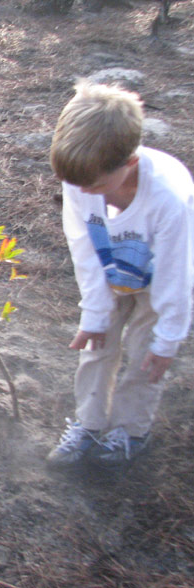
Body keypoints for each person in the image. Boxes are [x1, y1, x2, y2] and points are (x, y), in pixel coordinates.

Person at [47, 80, 194, 467]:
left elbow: (177, 275)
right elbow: (84, 245)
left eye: (95, 186)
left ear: (129, 164)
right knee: (96, 349)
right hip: (111, 269)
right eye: (76, 187)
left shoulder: (169, 198)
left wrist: (167, 342)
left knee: (145, 357)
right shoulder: (82, 179)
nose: (85, 194)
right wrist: (96, 313)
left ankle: (130, 431)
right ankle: (89, 424)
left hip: (156, 281)